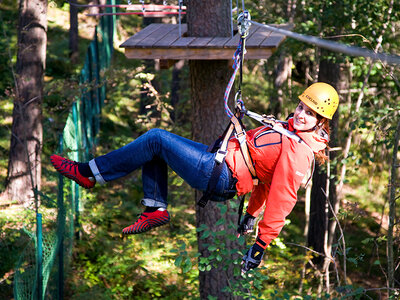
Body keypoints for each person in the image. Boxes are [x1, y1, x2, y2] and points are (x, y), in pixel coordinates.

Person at [50, 82, 339, 273]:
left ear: (321, 122)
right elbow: (266, 179)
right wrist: (250, 214)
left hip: (222, 175)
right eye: (302, 107)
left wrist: (260, 244)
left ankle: (89, 173)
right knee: (155, 149)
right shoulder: (289, 130)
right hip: (218, 161)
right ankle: (154, 209)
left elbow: (282, 197)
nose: (302, 114)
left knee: (156, 139)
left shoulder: (300, 152)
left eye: (310, 113)